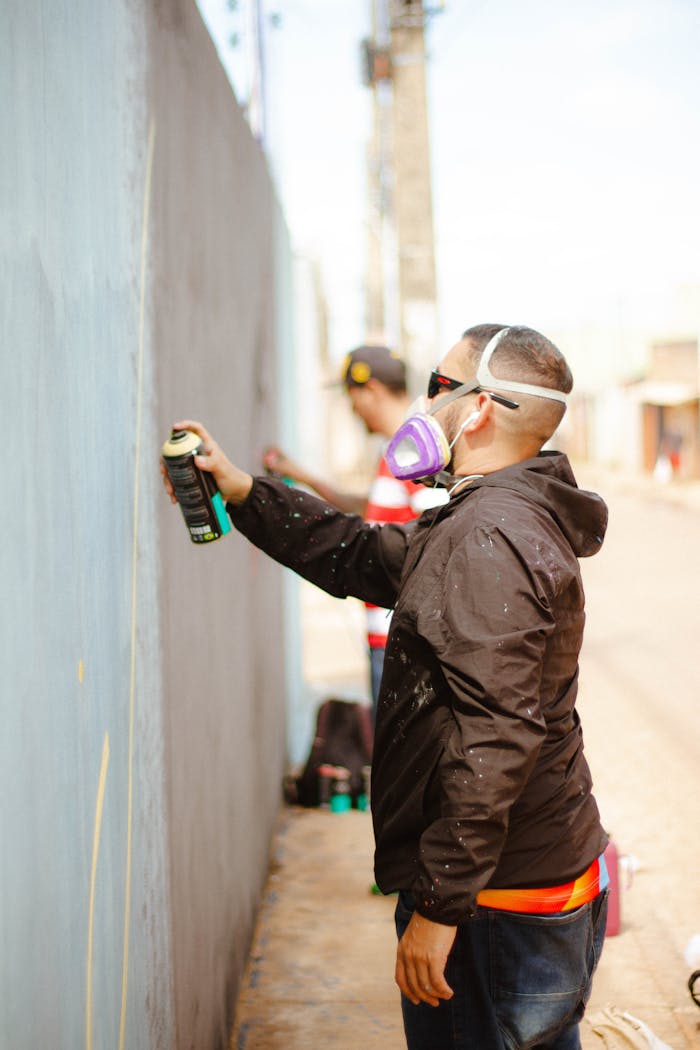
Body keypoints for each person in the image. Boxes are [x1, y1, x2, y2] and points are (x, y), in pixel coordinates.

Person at [162, 323, 610, 1050]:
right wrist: (244, 492)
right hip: (520, 885)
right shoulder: (495, 514)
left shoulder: (490, 536)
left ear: (479, 411)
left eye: (439, 386)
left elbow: (496, 736)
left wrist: (440, 908)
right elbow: (362, 555)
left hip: (498, 905)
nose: (424, 405)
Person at [263, 344, 445, 718]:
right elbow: (373, 507)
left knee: (397, 766)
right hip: (390, 638)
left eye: (352, 397)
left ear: (372, 391)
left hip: (401, 641)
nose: (351, 409)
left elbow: (441, 541)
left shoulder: (414, 450)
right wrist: (301, 476)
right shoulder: (403, 451)